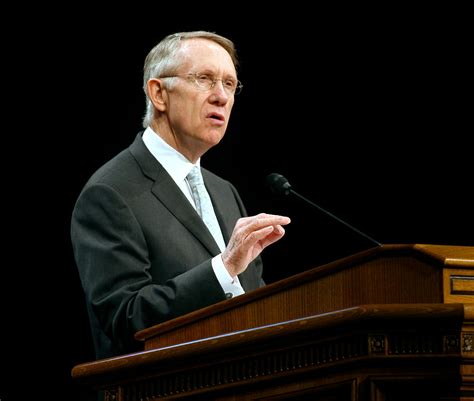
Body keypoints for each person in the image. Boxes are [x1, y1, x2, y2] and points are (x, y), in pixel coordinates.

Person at [70, 31, 291, 362]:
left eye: (230, 85)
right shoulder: (110, 192)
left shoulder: (223, 191)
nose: (221, 97)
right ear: (159, 93)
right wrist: (225, 266)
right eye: (204, 79)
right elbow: (125, 319)